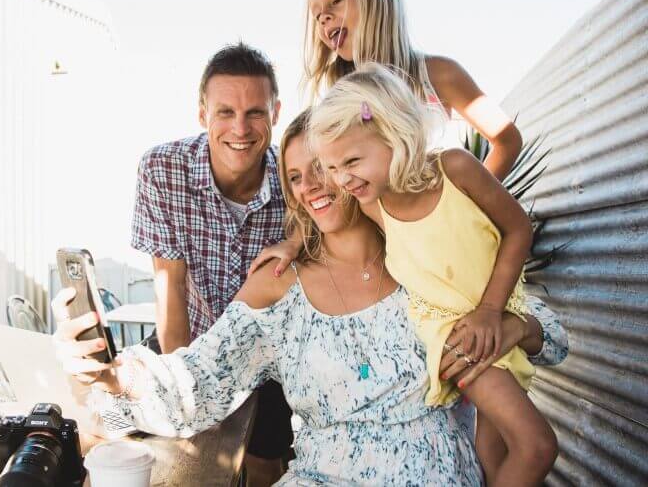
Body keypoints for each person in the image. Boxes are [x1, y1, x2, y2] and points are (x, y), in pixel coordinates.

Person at [52, 111, 568, 486]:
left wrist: (512, 328)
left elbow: (547, 331)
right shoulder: (279, 285)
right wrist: (113, 374)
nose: (311, 187)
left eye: (321, 167)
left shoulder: (419, 261)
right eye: (295, 177)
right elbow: (197, 382)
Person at [307, 64, 558, 486]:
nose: (342, 178)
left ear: (396, 135)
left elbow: (518, 228)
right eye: (332, 168)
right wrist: (291, 245)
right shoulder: (372, 207)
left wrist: (493, 310)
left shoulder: (456, 169)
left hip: (496, 316)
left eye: (351, 160)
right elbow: (321, 225)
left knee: (493, 455)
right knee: (537, 446)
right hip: (454, 337)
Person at [128, 42, 292, 484]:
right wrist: (185, 393)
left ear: (276, 113)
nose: (240, 128)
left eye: (255, 112)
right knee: (159, 450)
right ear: (202, 114)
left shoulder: (295, 180)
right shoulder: (162, 170)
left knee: (264, 460)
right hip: (190, 339)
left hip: (266, 355)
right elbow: (170, 288)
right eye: (225, 112)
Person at [305, 0, 522, 180]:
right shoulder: (339, 98)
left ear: (378, 1)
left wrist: (471, 202)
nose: (324, 17)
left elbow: (508, 140)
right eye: (317, 15)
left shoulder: (439, 74)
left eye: (337, 0)